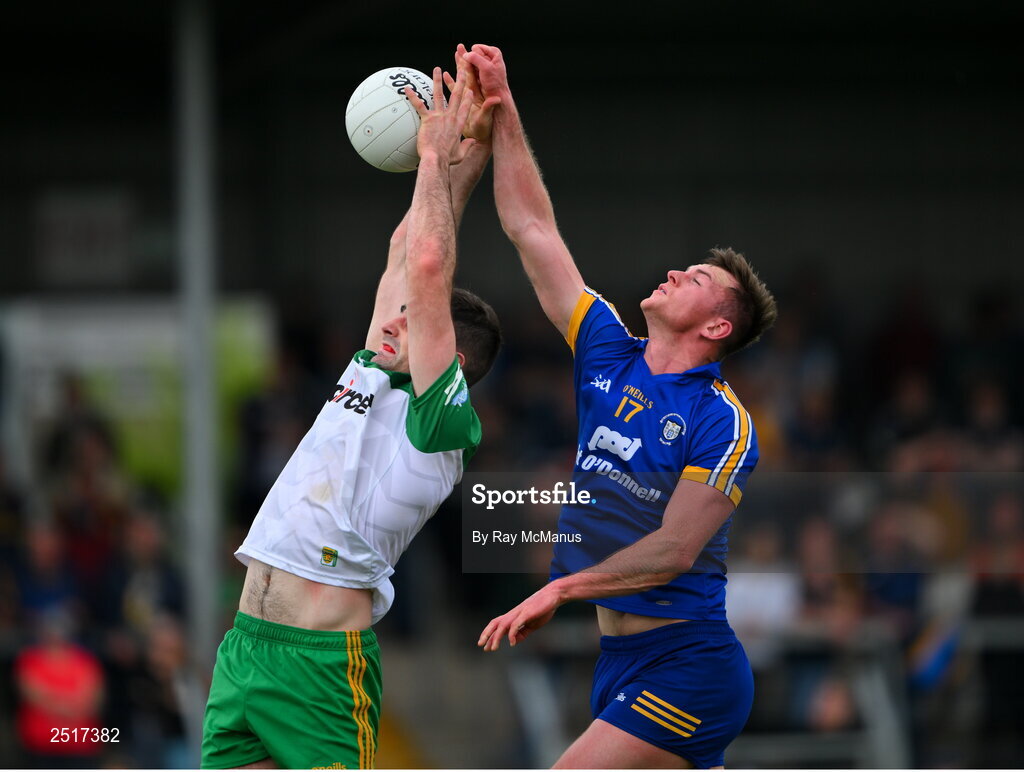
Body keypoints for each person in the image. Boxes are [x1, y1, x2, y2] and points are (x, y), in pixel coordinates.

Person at [467, 45, 777, 769]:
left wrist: (562, 587)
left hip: (689, 668)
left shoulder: (722, 420)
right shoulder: (608, 347)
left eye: (695, 277)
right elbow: (534, 231)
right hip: (618, 662)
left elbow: (673, 552)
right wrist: (505, 110)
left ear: (717, 327)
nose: (674, 272)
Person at [201, 57, 502, 770]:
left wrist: (428, 153)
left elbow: (430, 267)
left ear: (450, 365)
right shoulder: (374, 363)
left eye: (414, 326)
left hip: (322, 672)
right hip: (245, 651)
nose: (391, 326)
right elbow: (410, 250)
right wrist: (467, 148)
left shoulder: (442, 430)